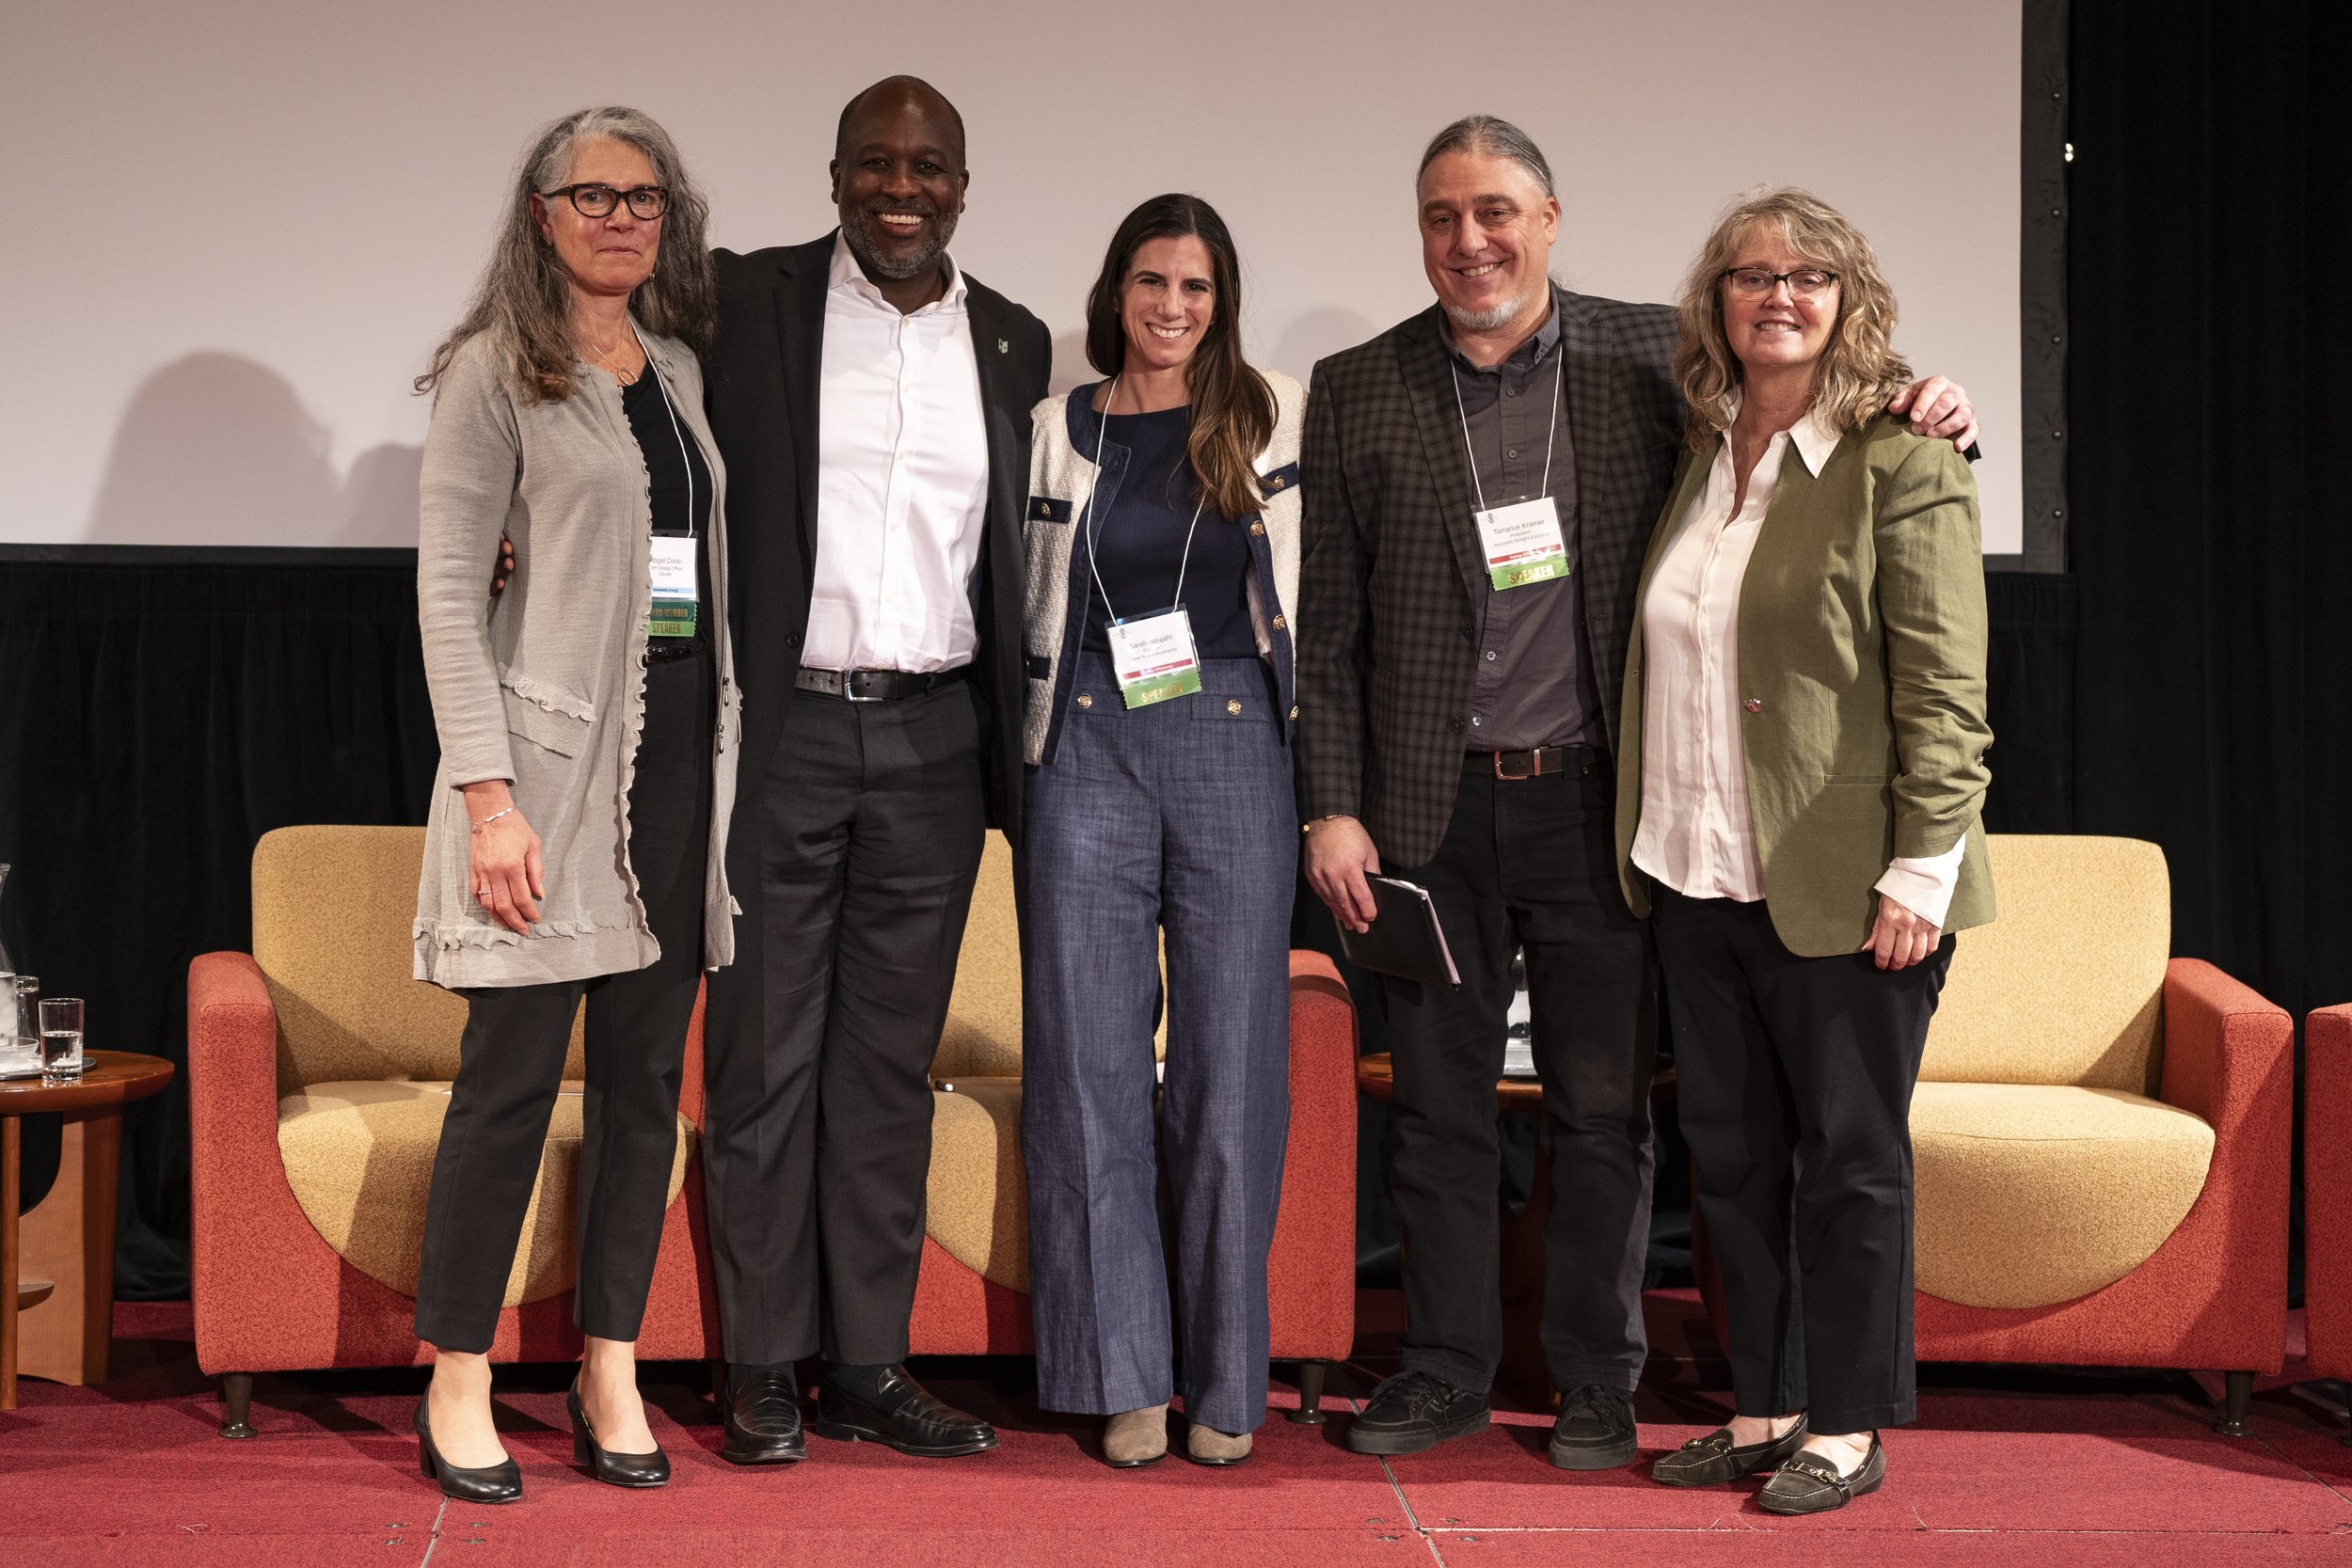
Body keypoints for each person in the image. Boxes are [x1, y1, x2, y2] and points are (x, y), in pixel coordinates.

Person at [1296, 116, 1979, 1469]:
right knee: (1434, 1107)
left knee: (1602, 1109)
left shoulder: (1644, 364)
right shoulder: (1357, 384)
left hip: (1601, 809)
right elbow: (1328, 629)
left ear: (1550, 218)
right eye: (1442, 216)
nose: (1470, 240)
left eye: (1496, 211)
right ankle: (1441, 1366)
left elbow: (1822, 416)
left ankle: (1599, 1376)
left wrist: (1926, 398)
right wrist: (1331, 802)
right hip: (1427, 813)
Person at [695, 75, 1052, 1464]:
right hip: (784, 731)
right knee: (766, 1058)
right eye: (874, 163)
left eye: (929, 166)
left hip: (935, 743)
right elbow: (610, 395)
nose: (900, 188)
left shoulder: (1014, 342)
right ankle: (764, 1366)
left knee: (886, 1071)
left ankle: (868, 1362)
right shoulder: (746, 304)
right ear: (833, 172)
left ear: (965, 183)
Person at [1623, 187, 1993, 1513]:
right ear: (1716, 302)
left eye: (1808, 274)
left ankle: (1848, 1422)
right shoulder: (1700, 453)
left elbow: (1948, 692)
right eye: (1749, 274)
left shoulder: (1903, 456)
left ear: (1848, 299)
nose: (1777, 294)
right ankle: (1768, 1404)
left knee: (1851, 1159)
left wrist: (1922, 872)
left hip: (1852, 890)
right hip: (1696, 875)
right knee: (1731, 1159)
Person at [408, 105, 737, 1501]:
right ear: (539, 213)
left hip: (674, 774)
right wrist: (490, 801)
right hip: (544, 778)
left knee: (650, 1088)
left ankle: (612, 1358)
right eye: (590, 194)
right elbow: (445, 595)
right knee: (510, 1084)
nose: (619, 217)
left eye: (642, 197)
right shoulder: (497, 372)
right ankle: (462, 1372)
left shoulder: (675, 369)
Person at [1018, 195, 1306, 1468]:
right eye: (1150, 282)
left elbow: (1308, 591)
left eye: (1194, 286)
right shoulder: (1053, 427)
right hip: (1086, 737)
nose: (1171, 307)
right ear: (1115, 291)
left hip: (1234, 735)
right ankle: (1122, 1371)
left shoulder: (1269, 411)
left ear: (1221, 297)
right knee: (1086, 1062)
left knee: (1230, 1064)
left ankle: (1227, 1379)